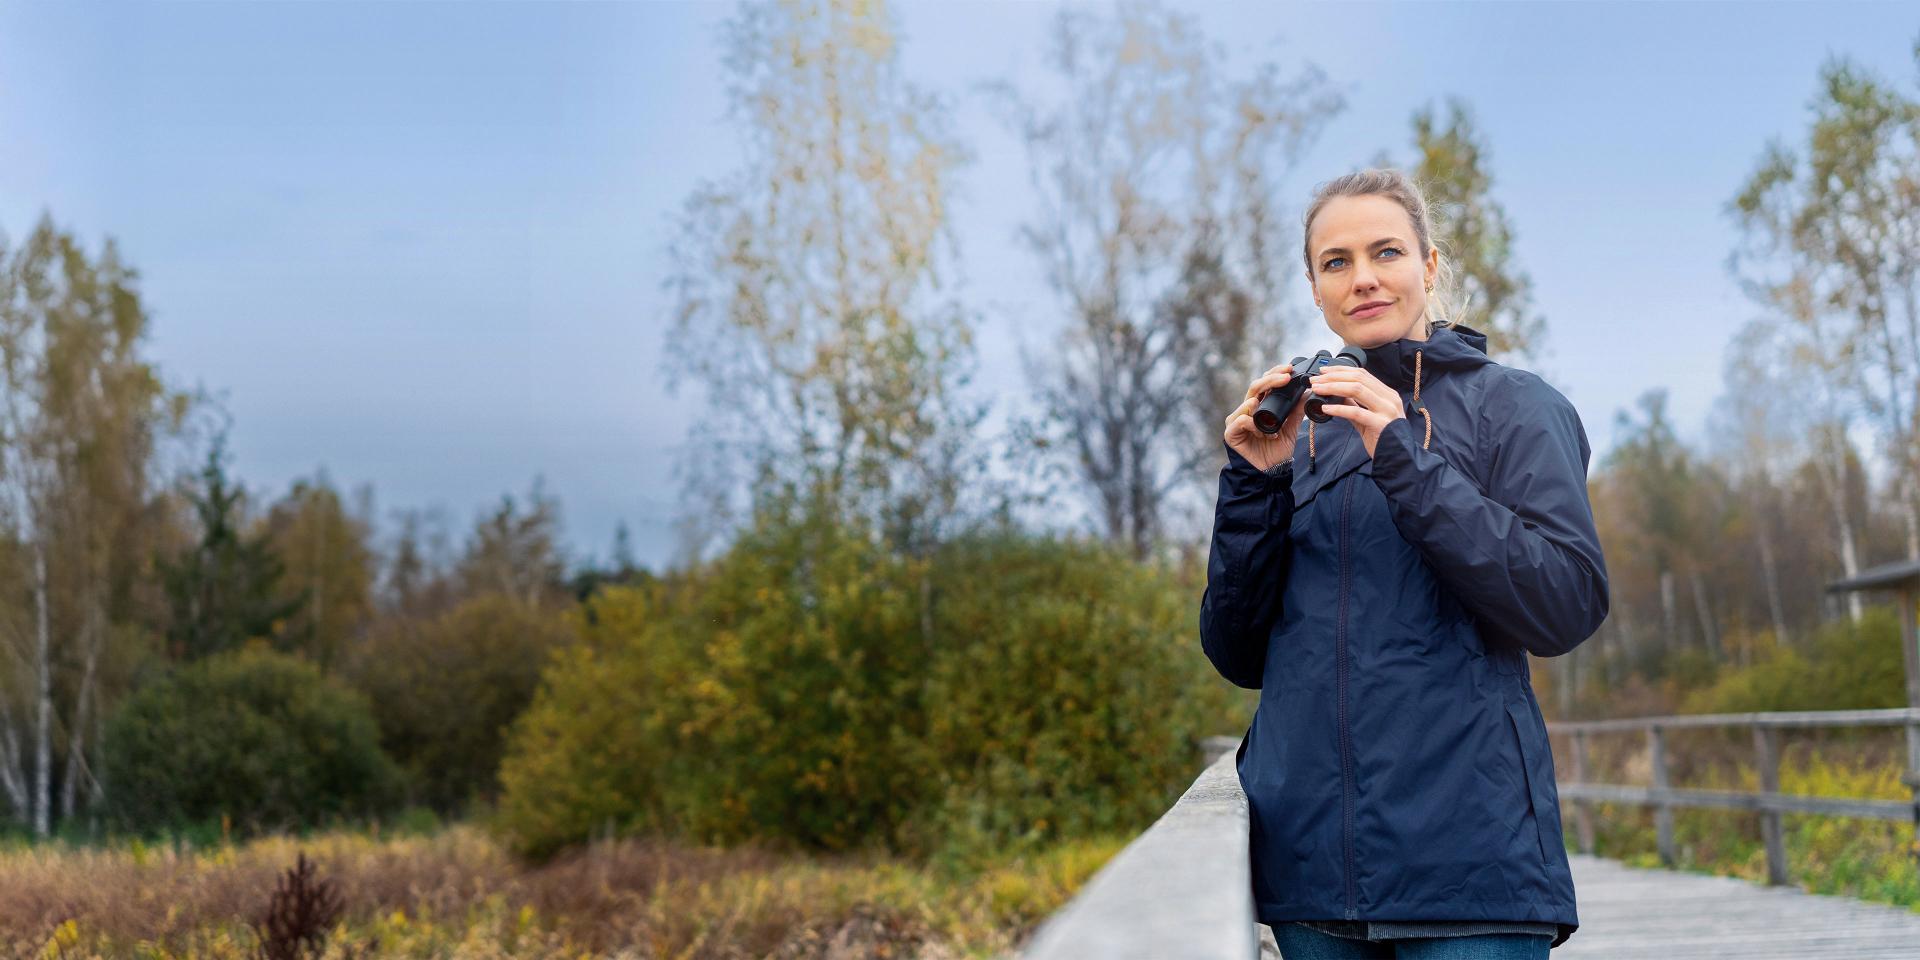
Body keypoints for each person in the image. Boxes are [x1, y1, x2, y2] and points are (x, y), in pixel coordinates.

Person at [1199, 168, 1609, 958]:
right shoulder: (1303, 432)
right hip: (1312, 878)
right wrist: (1252, 481)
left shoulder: (1516, 408)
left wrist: (1404, 457)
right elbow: (1239, 652)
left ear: (1427, 264)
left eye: (1385, 251)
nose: (1363, 279)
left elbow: (1563, 604)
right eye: (1336, 261)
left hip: (1473, 875)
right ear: (1315, 289)